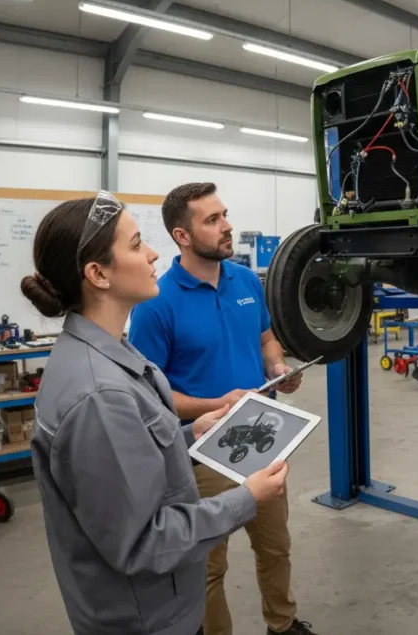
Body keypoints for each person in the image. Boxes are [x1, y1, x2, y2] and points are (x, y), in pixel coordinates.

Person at [22, 191, 289, 635]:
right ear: (98, 274)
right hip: (148, 619)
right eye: (135, 244)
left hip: (164, 607)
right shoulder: (98, 396)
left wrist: (189, 433)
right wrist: (247, 498)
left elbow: (133, 455)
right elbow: (145, 542)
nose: (151, 254)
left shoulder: (112, 354)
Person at [128, 183, 317, 635]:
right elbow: (148, 395)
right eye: (212, 220)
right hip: (203, 452)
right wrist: (218, 403)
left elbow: (265, 337)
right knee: (207, 567)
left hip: (264, 437)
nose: (227, 225)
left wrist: (276, 365)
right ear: (183, 236)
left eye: (224, 215)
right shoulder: (157, 303)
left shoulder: (247, 280)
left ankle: (282, 623)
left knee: (275, 548)